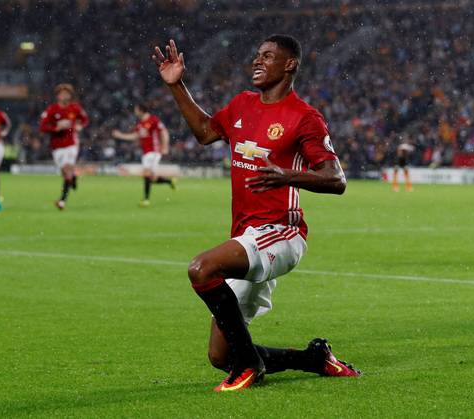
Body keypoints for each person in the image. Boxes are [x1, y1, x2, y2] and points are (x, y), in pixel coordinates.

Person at [152, 35, 361, 392]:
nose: (257, 61)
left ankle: (250, 365)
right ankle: (314, 358)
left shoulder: (304, 117)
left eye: (267, 56)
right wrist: (177, 85)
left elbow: (336, 179)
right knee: (221, 356)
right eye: (256, 56)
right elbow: (205, 132)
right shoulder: (242, 105)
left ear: (289, 65)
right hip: (247, 236)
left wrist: (288, 175)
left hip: (283, 232)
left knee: (201, 268)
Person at [112, 103, 176, 206]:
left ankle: (146, 200)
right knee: (152, 178)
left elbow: (164, 132)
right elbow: (135, 136)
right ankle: (169, 181)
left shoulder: (153, 120)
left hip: (154, 151)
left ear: (141, 110)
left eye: (136, 109)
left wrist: (165, 146)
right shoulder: (140, 124)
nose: (135, 112)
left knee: (146, 175)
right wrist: (120, 135)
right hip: (146, 153)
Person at [39, 84, 88, 210]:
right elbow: (42, 127)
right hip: (56, 146)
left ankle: (62, 201)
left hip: (71, 143)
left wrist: (80, 126)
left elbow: (85, 119)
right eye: (62, 93)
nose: (64, 95)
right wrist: (56, 128)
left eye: (67, 93)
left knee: (67, 169)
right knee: (65, 173)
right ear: (58, 96)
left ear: (70, 96)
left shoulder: (75, 108)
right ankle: (73, 177)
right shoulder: (51, 110)